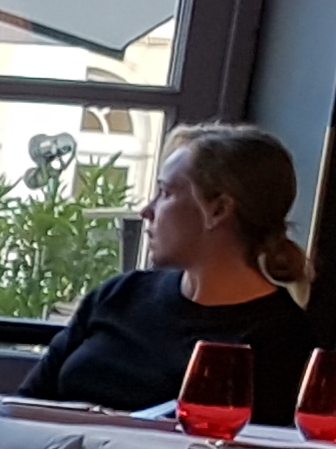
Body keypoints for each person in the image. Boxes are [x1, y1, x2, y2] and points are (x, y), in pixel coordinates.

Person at [21, 123, 319, 419]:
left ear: (218, 210)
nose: (146, 211)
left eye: (164, 192)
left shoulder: (281, 340)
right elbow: (22, 406)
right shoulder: (119, 294)